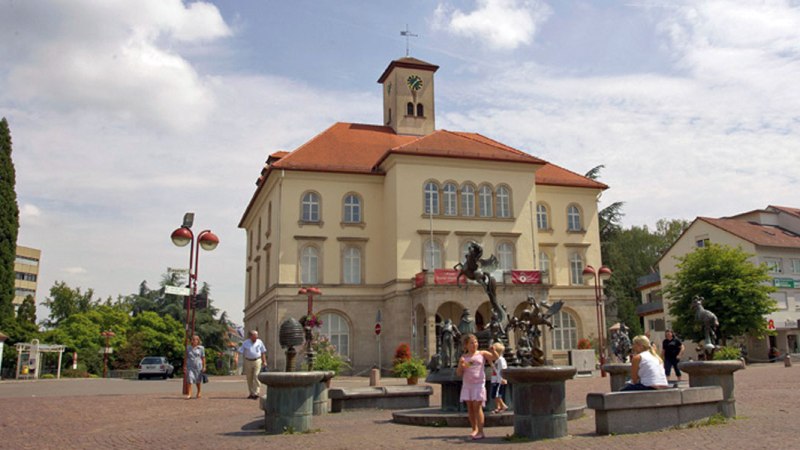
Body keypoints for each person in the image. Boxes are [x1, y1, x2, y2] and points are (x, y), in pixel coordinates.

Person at [456, 334, 499, 440]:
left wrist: (493, 351)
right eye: (471, 342)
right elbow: (459, 373)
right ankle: (474, 429)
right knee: (470, 408)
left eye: (475, 342)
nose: (474, 344)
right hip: (467, 385)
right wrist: (461, 366)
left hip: (478, 385)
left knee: (477, 407)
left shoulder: (482, 353)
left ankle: (481, 431)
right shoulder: (464, 357)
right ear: (466, 345)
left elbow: (495, 358)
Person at [239, 330, 268, 399]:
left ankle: (256, 392)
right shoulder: (245, 343)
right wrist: (237, 358)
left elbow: (263, 352)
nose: (256, 338)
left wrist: (264, 361)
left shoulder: (259, 342)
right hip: (248, 361)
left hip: (257, 360)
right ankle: (251, 393)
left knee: (256, 376)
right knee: (249, 378)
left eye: (257, 337)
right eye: (254, 337)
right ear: (250, 337)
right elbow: (240, 351)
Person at [185, 335, 206, 400]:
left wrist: (204, 366)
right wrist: (184, 366)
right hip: (190, 366)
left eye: (196, 340)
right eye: (193, 339)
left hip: (198, 366)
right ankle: (189, 394)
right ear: (191, 340)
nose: (194, 341)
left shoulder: (201, 348)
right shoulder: (188, 348)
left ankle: (199, 391)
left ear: (198, 341)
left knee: (198, 380)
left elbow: (203, 358)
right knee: (190, 379)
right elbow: (186, 357)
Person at [490, 342, 508, 414]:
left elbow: (503, 369)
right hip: (496, 380)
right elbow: (495, 369)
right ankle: (498, 407)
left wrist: (504, 378)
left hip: (500, 380)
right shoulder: (497, 360)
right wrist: (491, 362)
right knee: (495, 395)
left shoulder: (501, 359)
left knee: (497, 395)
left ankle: (503, 406)